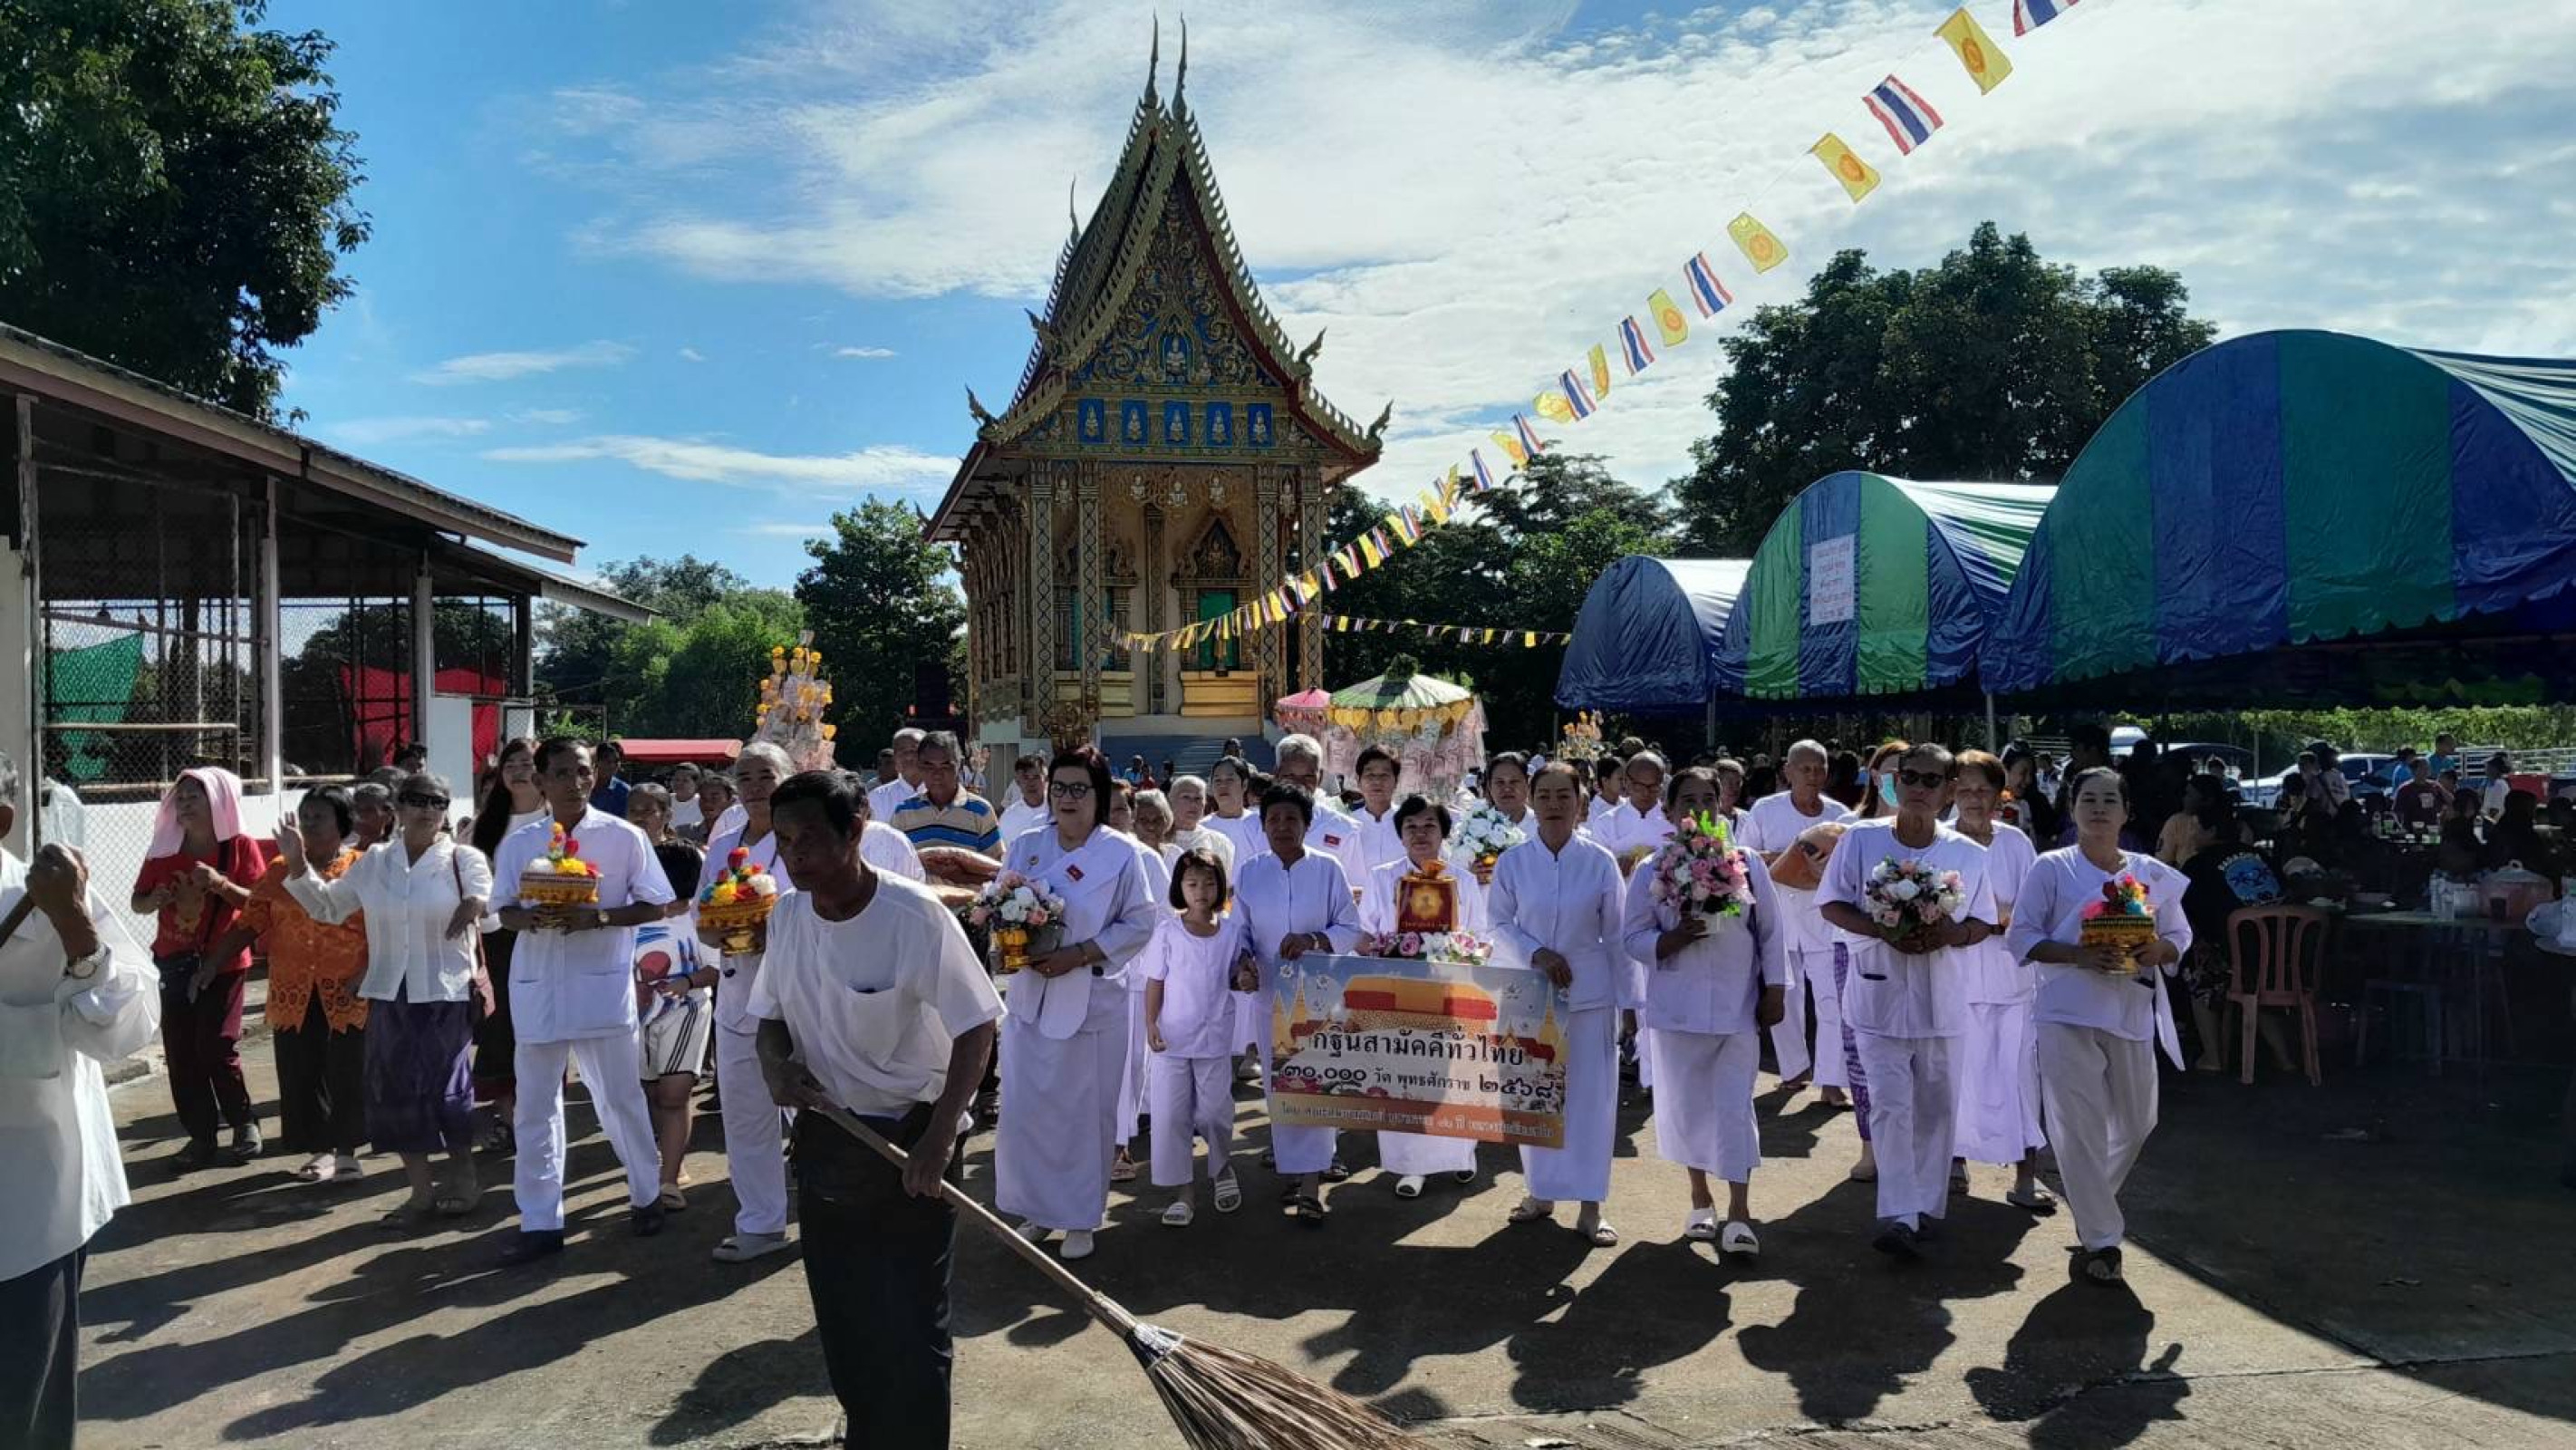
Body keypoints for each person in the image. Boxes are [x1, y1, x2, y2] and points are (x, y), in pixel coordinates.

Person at [747, 769, 1000, 1448]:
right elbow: (767, 1018)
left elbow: (977, 1026)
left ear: (855, 832)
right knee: (845, 1315)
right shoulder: (788, 916)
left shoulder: (913, 917)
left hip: (913, 1137)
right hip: (829, 1138)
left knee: (913, 1326)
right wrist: (777, 1068)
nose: (795, 856)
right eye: (784, 841)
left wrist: (940, 1137)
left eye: (810, 840)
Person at [2, 751, 158, 1450]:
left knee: (19, 1396)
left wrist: (77, 934)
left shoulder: (39, 900)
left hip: (29, 1191)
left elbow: (128, 1025)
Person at [489, 739, 678, 1263]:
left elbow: (655, 905)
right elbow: (502, 909)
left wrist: (598, 917)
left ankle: (645, 1194)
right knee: (535, 1108)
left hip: (602, 984)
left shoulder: (623, 837)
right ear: (540, 781)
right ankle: (540, 1219)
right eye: (561, 773)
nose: (574, 782)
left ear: (594, 776)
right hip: (538, 985)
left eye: (582, 771)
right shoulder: (519, 843)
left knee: (619, 1099)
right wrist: (527, 919)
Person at [2006, 767, 2193, 1286]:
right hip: (2065, 1010)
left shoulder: (2151, 872)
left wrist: (2162, 948)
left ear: (2126, 812)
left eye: (2110, 800)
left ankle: (2092, 1201)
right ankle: (2102, 1240)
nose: (2099, 809)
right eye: (2088, 799)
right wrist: (2078, 954)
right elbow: (2021, 937)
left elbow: (2179, 933)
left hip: (2129, 1009)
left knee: (2138, 1121)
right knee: (2077, 1125)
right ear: (2072, 808)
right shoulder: (2051, 868)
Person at [279, 771, 492, 1224]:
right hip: (390, 991)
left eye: (437, 802)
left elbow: (484, 903)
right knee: (393, 1094)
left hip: (445, 992)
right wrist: (297, 864)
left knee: (448, 1090)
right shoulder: (375, 862)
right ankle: (419, 1193)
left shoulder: (463, 858)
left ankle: (463, 1175)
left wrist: (475, 904)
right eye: (417, 799)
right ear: (397, 805)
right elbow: (328, 908)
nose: (427, 810)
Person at [1817, 743, 1999, 1260]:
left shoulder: (1969, 855)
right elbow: (1830, 903)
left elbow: (1983, 922)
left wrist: (1948, 935)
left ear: (1946, 793)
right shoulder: (1860, 840)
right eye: (1909, 777)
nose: (1918, 788)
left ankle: (1925, 1206)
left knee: (1937, 1107)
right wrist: (1879, 928)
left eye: (1931, 780)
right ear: (1894, 784)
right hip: (1878, 992)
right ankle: (1898, 1214)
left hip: (1942, 996)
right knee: (1892, 1106)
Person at [991, 749, 1155, 1260]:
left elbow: (1141, 922)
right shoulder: (1027, 846)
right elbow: (1000, 902)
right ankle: (1040, 1211)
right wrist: (1009, 939)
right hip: (1031, 997)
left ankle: (1082, 1216)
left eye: (1078, 789)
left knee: (1086, 1116)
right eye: (1058, 787)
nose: (1066, 798)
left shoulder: (1121, 854)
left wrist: (1079, 954)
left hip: (1090, 997)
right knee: (1030, 1111)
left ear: (1099, 794)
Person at [1622, 766, 1785, 1255]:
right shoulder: (1652, 867)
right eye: (1686, 799)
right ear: (1670, 811)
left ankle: (1740, 1213)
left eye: (1708, 798)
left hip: (1737, 1007)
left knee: (1735, 1110)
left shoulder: (1748, 861)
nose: (1698, 808)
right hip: (1677, 1009)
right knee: (1688, 1109)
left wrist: (1775, 989)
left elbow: (1773, 933)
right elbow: (1631, 936)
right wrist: (1668, 940)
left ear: (1723, 805)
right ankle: (1700, 1198)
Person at [1491, 762, 1627, 1248]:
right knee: (1534, 1097)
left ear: (1579, 801)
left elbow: (1617, 935)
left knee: (1591, 1102)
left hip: (1589, 996)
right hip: (1529, 994)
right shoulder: (1513, 861)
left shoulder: (1599, 861)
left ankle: (1592, 1204)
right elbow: (1497, 924)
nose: (1552, 805)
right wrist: (1537, 953)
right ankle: (1540, 1191)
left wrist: (1629, 1003)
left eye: (1562, 796)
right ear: (1532, 799)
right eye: (1544, 796)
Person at [212, 787, 371, 1185]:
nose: (309, 824)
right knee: (304, 1070)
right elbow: (250, 921)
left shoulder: (362, 868)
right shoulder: (280, 869)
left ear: (342, 824)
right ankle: (321, 1152)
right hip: (294, 987)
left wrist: (367, 971)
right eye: (305, 816)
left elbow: (380, 930)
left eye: (319, 816)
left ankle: (348, 1152)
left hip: (349, 986)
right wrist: (212, 964)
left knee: (348, 1068)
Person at [1235, 781, 1364, 1222]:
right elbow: (1241, 932)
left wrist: (1314, 939)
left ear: (1307, 824)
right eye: (1274, 820)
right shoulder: (1250, 872)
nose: (1283, 827)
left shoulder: (1328, 869)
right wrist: (1243, 965)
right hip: (1270, 997)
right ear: (1263, 826)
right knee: (1279, 1088)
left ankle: (1312, 1185)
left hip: (1320, 997)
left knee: (1318, 1086)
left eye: (1292, 819)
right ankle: (1293, 1168)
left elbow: (1352, 927)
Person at [132, 767, 271, 1169]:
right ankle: (201, 1136)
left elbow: (258, 905)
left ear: (220, 801)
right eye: (182, 797)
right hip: (173, 964)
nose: (186, 803)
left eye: (197, 795)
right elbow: (137, 901)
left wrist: (218, 883)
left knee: (216, 1045)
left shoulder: (239, 847)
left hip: (223, 963)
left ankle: (244, 1122)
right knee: (181, 1053)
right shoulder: (164, 850)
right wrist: (153, 900)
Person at [699, 743, 802, 1263]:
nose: (756, 786)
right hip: (739, 990)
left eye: (767, 775)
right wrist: (720, 933)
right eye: (746, 776)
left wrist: (772, 930)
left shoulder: (807, 839)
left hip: (802, 996)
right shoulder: (722, 845)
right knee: (745, 1116)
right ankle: (760, 1223)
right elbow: (702, 914)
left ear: (790, 778)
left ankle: (830, 1212)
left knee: (818, 1107)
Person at [1356, 794, 1483, 1198]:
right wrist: (1391, 947)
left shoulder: (1461, 879)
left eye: (1429, 826)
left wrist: (1456, 950)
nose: (1420, 834)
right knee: (1403, 1077)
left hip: (1450, 989)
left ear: (1444, 832)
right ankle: (1410, 1165)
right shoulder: (1382, 877)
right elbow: (1367, 933)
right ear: (1400, 834)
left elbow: (1480, 934)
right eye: (1410, 826)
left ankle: (1461, 1153)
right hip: (1398, 990)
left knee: (1451, 1076)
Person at [1945, 752, 2052, 1213]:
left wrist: (2004, 919)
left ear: (1998, 795)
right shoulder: (1940, 841)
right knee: (1958, 1077)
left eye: (1983, 791)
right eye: (1965, 790)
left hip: (2013, 982)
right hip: (1957, 981)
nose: (1974, 799)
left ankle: (2026, 1176)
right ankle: (1953, 1162)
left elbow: (2035, 909)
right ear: (1952, 793)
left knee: (2021, 1078)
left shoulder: (2015, 842)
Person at [1738, 740, 1857, 1113]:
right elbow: (1743, 858)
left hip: (1825, 919)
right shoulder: (1765, 809)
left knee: (1832, 1001)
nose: (1812, 775)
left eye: (1819, 768)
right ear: (1786, 771)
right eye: (1804, 768)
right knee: (1784, 997)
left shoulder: (1841, 814)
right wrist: (1788, 857)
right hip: (1780, 915)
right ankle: (1793, 1068)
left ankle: (1832, 1081)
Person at [1141, 846, 1251, 1226]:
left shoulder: (1232, 931)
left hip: (1215, 1036)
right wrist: (1151, 1024)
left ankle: (1222, 1169)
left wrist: (1247, 977)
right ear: (1179, 888)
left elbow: (1238, 974)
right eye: (1192, 883)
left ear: (1220, 887)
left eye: (1208, 883)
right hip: (1171, 1038)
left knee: (1215, 1111)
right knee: (1171, 1116)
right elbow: (1154, 981)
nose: (1200, 891)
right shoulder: (1167, 930)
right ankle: (1183, 1191)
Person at [470, 736, 548, 1147]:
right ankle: (506, 1117)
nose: (519, 770)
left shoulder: (559, 823)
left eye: (528, 762)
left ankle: (538, 1112)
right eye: (511, 763)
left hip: (547, 935)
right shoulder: (483, 825)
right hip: (498, 938)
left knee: (540, 1024)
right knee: (501, 1025)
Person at [638, 818, 711, 1211]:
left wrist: (688, 981)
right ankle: (660, 1158)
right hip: (637, 1016)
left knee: (674, 1093)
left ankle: (668, 1179)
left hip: (686, 1013)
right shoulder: (635, 916)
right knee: (650, 1091)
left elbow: (719, 968)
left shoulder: (700, 917)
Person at [892, 731, 1004, 891]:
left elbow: (998, 872)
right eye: (929, 766)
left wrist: (961, 875)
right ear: (919, 766)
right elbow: (894, 869)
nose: (937, 774)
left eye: (946, 765)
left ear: (958, 765)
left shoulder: (980, 811)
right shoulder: (903, 813)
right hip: (919, 910)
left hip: (968, 910)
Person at [1345, 746, 1409, 887]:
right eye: (1370, 775)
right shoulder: (1346, 825)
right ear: (1358, 781)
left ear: (1396, 781)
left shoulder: (1410, 824)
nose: (1377, 782)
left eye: (1384, 776)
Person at [1163, 775, 1237, 879]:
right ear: (1171, 801)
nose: (1193, 804)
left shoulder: (1219, 842)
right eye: (1186, 797)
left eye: (1198, 798)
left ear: (1205, 804)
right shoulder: (1157, 840)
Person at [870, 728, 929, 824]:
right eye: (902, 751)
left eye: (914, 750)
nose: (908, 757)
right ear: (895, 758)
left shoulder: (944, 795)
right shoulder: (877, 798)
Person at [998, 752, 1051, 843]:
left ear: (1046, 779)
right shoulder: (1009, 817)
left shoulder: (1058, 811)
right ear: (1017, 782)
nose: (1031, 783)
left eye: (1036, 777)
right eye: (1026, 778)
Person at [590, 740, 633, 818]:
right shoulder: (584, 786)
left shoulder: (624, 791)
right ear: (596, 762)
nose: (612, 766)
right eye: (607, 761)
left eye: (616, 761)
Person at [691, 771, 737, 846]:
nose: (707, 803)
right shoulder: (685, 833)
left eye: (715, 797)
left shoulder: (741, 835)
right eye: (703, 797)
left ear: (730, 800)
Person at [350, 781, 395, 851]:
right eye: (357, 809)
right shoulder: (342, 853)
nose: (361, 815)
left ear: (388, 815)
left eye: (369, 810)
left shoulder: (392, 854)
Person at [667, 763, 706, 836]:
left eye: (685, 781)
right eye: (676, 779)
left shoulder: (704, 802)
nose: (679, 783)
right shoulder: (665, 800)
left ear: (696, 783)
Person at [2482, 751, 2516, 819]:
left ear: (2495, 769)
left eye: (2487, 767)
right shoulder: (2492, 783)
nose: (2485, 770)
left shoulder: (2499, 785)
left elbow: (2495, 809)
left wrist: (2488, 820)